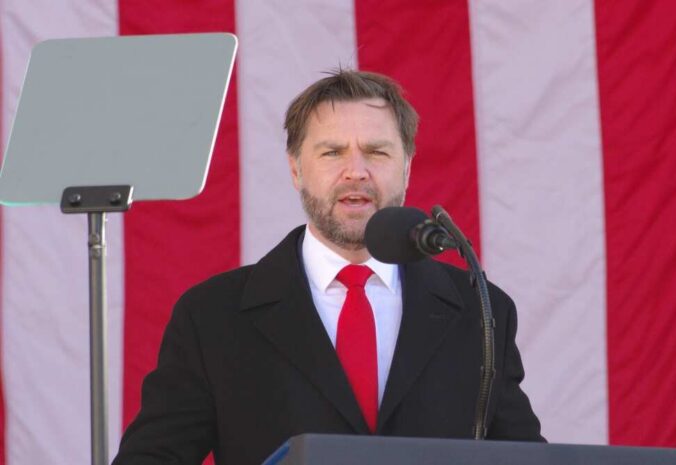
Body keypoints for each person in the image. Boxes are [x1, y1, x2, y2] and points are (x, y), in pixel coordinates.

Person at [112, 70, 543, 465]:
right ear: (296, 168)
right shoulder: (212, 315)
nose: (355, 172)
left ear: (407, 167)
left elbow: (527, 458)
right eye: (332, 152)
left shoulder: (480, 310)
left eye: (376, 152)